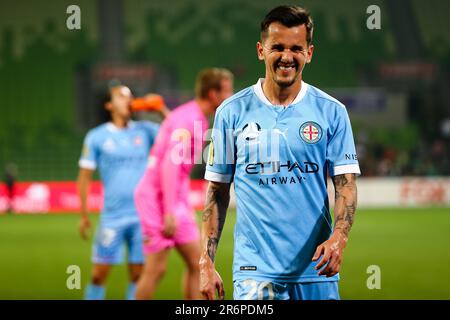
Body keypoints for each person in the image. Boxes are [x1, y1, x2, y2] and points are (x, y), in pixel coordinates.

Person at [200, 5, 360, 300]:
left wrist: (339, 238)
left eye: (296, 48)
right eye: (278, 47)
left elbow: (345, 185)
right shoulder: (230, 112)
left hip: (316, 269)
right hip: (255, 272)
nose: (287, 56)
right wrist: (206, 261)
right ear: (261, 50)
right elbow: (217, 190)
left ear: (309, 53)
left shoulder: (332, 112)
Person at [134, 68, 234, 300]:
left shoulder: (188, 116)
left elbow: (174, 132)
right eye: (227, 91)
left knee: (195, 263)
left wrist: (161, 111)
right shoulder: (191, 120)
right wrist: (170, 211)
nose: (231, 96)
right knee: (158, 269)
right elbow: (170, 165)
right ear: (212, 94)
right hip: (159, 199)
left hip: (170, 197)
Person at [77, 84, 169, 300]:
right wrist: (83, 214)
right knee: (99, 274)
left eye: (130, 96)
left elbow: (178, 132)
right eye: (120, 96)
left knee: (138, 274)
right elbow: (84, 177)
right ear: (109, 105)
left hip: (142, 217)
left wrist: (160, 110)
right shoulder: (96, 137)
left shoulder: (145, 130)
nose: (127, 100)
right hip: (112, 217)